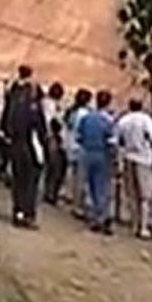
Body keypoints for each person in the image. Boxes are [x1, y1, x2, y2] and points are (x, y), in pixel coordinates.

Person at [1, 70, 47, 228]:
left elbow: (5, 122)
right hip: (30, 147)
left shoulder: (13, 100)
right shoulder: (34, 108)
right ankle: (27, 214)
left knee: (18, 180)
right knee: (30, 182)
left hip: (15, 145)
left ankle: (18, 212)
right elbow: (40, 131)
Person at [114, 98, 152, 239]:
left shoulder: (124, 120)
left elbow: (118, 141)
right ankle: (143, 226)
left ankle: (134, 224)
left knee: (132, 194)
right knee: (145, 195)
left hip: (128, 157)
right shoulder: (146, 120)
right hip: (144, 159)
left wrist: (119, 159)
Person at [77, 90, 116, 234]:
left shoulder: (87, 118)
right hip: (102, 155)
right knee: (102, 187)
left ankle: (93, 216)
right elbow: (111, 142)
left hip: (87, 152)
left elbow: (79, 136)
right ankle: (103, 217)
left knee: (89, 185)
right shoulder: (108, 121)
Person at [65, 88, 93, 219]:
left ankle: (74, 201)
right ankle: (79, 205)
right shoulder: (85, 114)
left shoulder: (73, 112)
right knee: (82, 179)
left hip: (71, 145)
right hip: (81, 147)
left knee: (75, 176)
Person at [43, 116, 68, 205]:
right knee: (55, 175)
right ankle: (51, 194)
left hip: (52, 157)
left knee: (51, 175)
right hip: (56, 157)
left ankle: (49, 193)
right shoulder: (57, 138)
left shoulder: (51, 137)